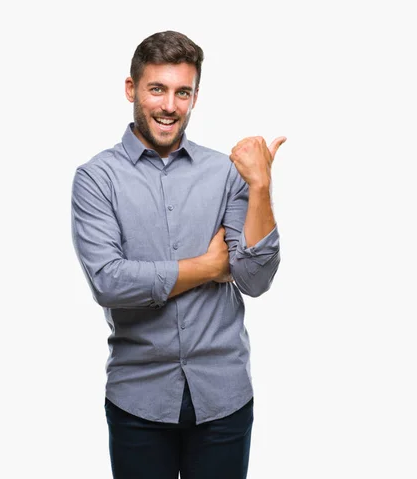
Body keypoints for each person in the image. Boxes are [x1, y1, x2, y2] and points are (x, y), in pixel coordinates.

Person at [71, 30, 285, 479]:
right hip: (138, 400)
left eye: (182, 92)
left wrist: (261, 185)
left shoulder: (226, 172)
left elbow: (254, 278)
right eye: (157, 89)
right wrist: (208, 266)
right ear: (132, 89)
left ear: (194, 97)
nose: (170, 105)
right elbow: (109, 282)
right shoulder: (95, 179)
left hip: (223, 398)